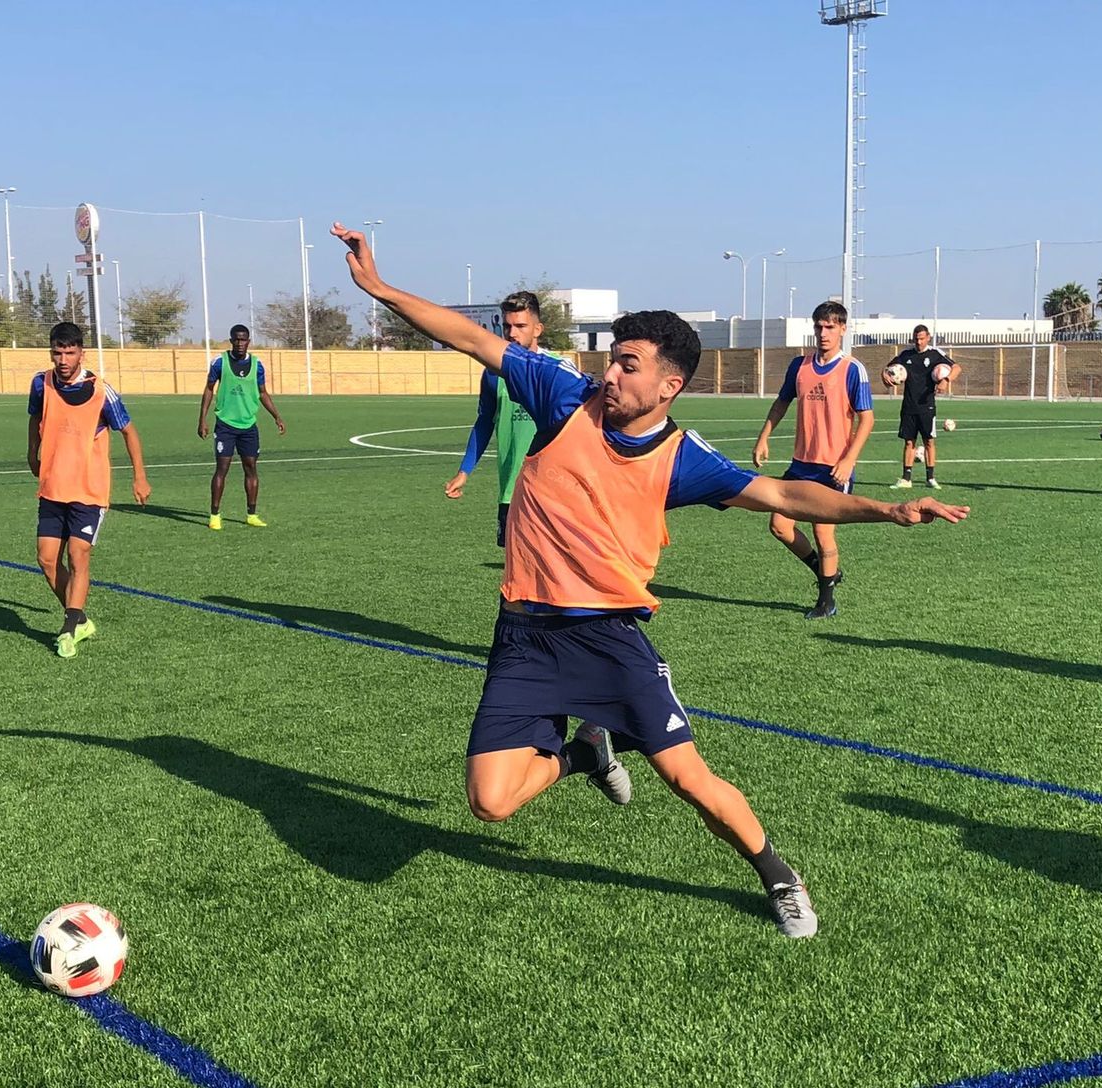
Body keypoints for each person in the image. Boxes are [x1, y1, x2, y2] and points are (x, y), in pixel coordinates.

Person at [331, 222, 969, 938]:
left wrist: (889, 509)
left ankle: (779, 875)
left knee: (688, 779)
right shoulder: (562, 396)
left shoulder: (682, 459)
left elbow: (786, 496)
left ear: (671, 383)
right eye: (612, 360)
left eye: (629, 365)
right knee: (490, 802)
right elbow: (474, 340)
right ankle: (584, 752)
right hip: (523, 637)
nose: (612, 374)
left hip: (608, 638)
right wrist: (380, 289)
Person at [27, 321, 151, 658]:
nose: (63, 359)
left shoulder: (101, 391)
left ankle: (69, 628)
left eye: (70, 352)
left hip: (88, 490)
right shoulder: (42, 383)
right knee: (46, 559)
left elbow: (129, 432)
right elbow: (35, 417)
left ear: (82, 353)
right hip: (53, 486)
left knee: (77, 556)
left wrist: (139, 477)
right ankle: (78, 616)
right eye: (57, 352)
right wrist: (30, 451)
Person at [752, 301, 875, 619]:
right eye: (819, 326)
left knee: (823, 532)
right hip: (800, 464)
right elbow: (781, 403)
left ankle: (826, 600)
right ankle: (824, 569)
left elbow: (867, 420)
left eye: (831, 327)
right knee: (779, 526)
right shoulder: (799, 366)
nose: (824, 333)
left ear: (843, 330)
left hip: (833, 467)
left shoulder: (852, 369)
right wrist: (764, 437)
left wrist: (848, 461)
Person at [444, 291, 552, 548]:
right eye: (507, 326)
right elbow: (484, 422)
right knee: (516, 572)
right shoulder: (493, 374)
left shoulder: (557, 369)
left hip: (553, 492)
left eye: (521, 326)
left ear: (538, 329)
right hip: (511, 492)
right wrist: (464, 471)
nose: (512, 333)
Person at [198, 323, 287, 530]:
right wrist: (202, 419)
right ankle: (215, 515)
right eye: (236, 339)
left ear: (249, 341)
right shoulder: (220, 362)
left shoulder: (258, 365)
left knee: (251, 469)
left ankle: (252, 514)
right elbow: (209, 390)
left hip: (248, 426)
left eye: (243, 339)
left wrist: (277, 416)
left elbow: (263, 393)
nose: (240, 343)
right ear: (231, 341)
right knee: (222, 469)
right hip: (226, 426)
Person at [883, 324, 960, 490]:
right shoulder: (906, 354)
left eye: (922, 338)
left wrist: (946, 381)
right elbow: (887, 369)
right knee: (909, 442)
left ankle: (930, 478)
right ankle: (906, 479)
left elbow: (956, 367)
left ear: (928, 338)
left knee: (929, 441)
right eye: (916, 339)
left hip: (927, 406)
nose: (918, 342)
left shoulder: (935, 354)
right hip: (909, 405)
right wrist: (885, 376)